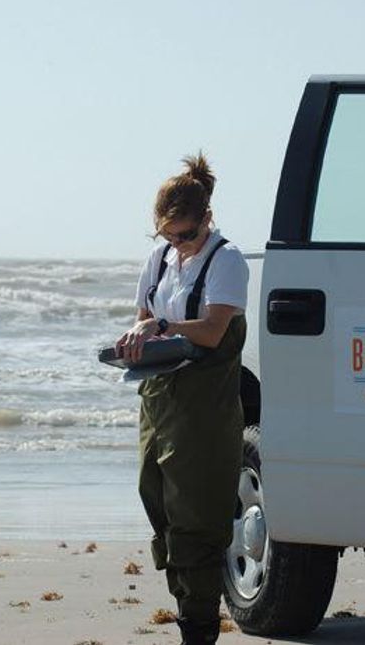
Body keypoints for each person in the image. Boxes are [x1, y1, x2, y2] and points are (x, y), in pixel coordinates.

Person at [116, 153, 249, 645]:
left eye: (186, 234)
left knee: (197, 519)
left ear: (207, 219)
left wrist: (162, 324)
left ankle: (198, 627)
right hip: (156, 399)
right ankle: (186, 605)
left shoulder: (226, 259)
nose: (177, 243)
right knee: (157, 503)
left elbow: (214, 331)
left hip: (205, 407)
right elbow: (142, 315)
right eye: (168, 235)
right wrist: (133, 336)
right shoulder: (158, 260)